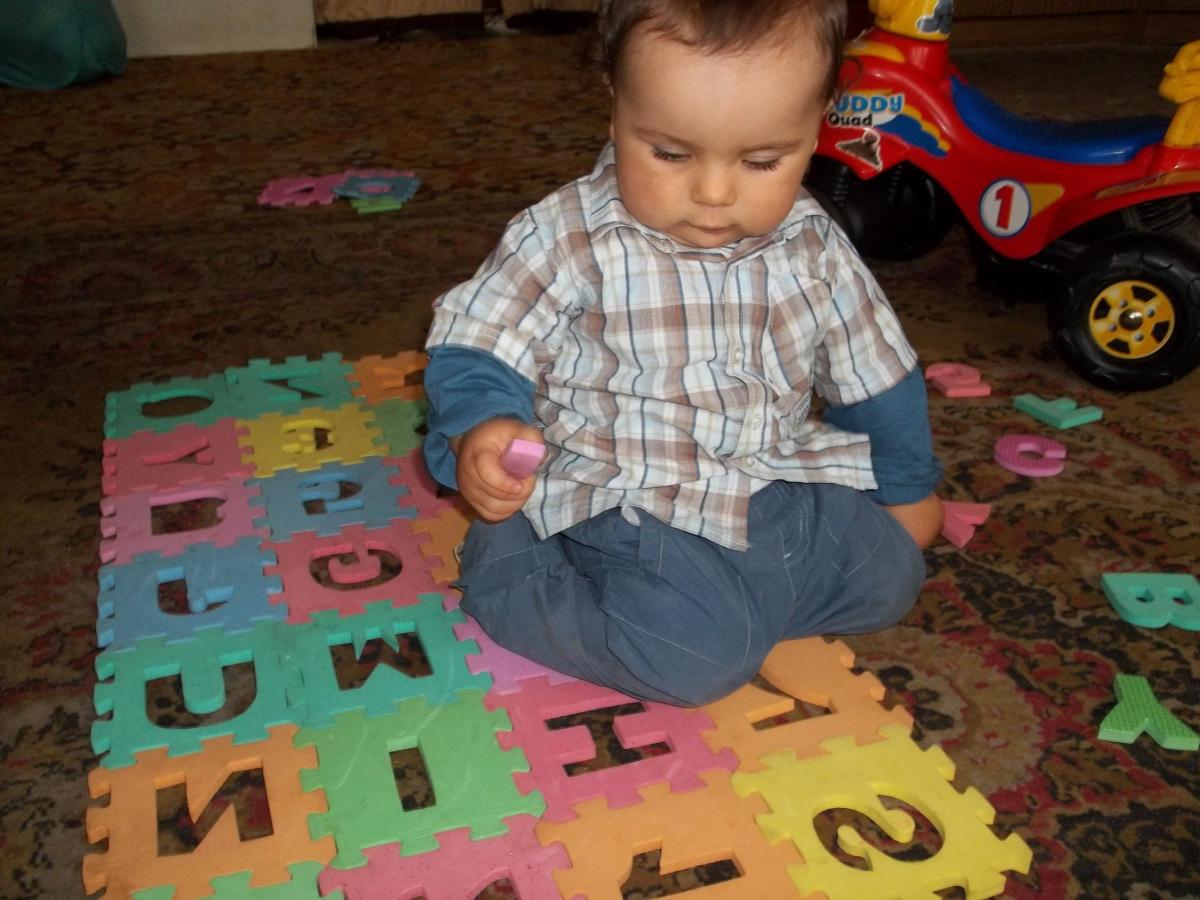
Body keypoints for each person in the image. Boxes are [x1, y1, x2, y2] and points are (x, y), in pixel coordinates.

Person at [421, 0, 943, 707]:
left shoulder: (814, 241)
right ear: (615, 105)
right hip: (629, 500)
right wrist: (482, 426)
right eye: (669, 154)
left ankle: (744, 599)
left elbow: (874, 374)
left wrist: (906, 486)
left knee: (892, 579)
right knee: (694, 662)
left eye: (763, 160)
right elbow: (479, 342)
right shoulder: (568, 237)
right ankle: (512, 570)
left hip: (777, 478)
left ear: (820, 121)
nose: (714, 194)